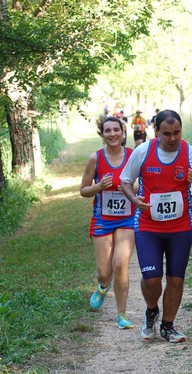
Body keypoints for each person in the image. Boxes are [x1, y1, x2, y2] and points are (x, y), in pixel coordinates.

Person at [120, 109, 192, 343]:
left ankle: (168, 326)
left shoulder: (191, 154)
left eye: (177, 133)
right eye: (167, 134)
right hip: (148, 226)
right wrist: (134, 200)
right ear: (156, 132)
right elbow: (125, 181)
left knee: (175, 279)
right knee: (151, 279)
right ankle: (152, 310)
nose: (172, 139)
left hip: (180, 227)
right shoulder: (142, 152)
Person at [80, 116, 135, 330]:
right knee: (105, 271)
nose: (112, 134)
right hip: (103, 219)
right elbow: (83, 190)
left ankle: (121, 314)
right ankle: (103, 286)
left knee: (120, 264)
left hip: (128, 218)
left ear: (123, 132)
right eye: (107, 130)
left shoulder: (133, 156)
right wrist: (99, 186)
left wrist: (133, 189)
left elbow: (145, 184)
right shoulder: (95, 158)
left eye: (116, 130)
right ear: (102, 134)